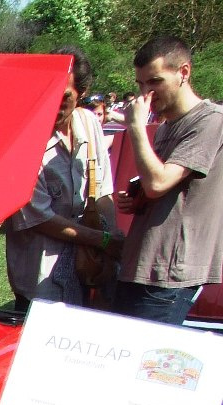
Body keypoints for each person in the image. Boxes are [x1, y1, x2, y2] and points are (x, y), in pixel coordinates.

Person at [112, 36, 223, 324]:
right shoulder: (166, 127)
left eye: (155, 81)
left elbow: (159, 183)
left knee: (145, 366)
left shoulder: (211, 121)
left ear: (183, 72)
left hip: (169, 275)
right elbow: (158, 189)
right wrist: (137, 199)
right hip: (141, 263)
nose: (146, 93)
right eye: (140, 84)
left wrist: (135, 126)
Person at [4, 48, 121, 309]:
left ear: (82, 92)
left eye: (65, 95)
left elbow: (102, 189)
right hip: (42, 277)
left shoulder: (89, 122)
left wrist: (109, 239)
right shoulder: (24, 138)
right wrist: (101, 240)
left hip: (89, 269)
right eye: (49, 92)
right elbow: (39, 218)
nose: (55, 102)